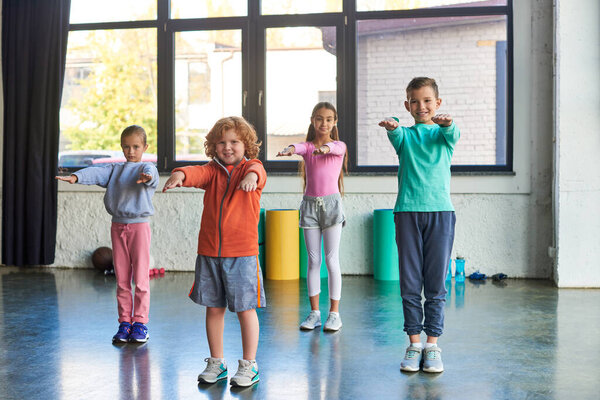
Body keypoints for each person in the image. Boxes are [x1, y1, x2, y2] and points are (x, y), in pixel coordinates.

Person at [163, 116, 266, 388]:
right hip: (209, 252)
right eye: (221, 142)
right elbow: (196, 172)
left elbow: (258, 170)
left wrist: (252, 177)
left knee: (245, 309)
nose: (228, 147)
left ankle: (249, 365)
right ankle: (217, 362)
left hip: (242, 254)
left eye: (234, 142)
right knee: (213, 308)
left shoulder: (250, 169)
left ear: (246, 145)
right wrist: (180, 175)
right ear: (213, 146)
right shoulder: (212, 171)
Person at [378, 77, 460, 373]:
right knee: (411, 282)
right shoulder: (405, 137)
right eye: (415, 101)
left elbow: (452, 130)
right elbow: (396, 130)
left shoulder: (444, 135)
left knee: (435, 283)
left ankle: (432, 345)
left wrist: (447, 122)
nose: (421, 106)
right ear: (407, 105)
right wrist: (392, 123)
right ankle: (414, 344)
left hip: (440, 214)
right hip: (407, 214)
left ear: (437, 103)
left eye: (427, 100)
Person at [56, 125, 158, 344]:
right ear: (121, 148)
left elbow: (151, 176)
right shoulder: (115, 170)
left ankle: (140, 324)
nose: (131, 151)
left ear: (145, 147)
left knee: (140, 279)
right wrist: (76, 177)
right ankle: (124, 323)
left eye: (136, 146)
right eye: (126, 147)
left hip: (139, 227)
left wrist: (146, 177)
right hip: (118, 227)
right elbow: (95, 172)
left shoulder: (148, 167)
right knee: (122, 279)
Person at [277, 102, 348, 332]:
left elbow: (336, 149)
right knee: (314, 261)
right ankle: (315, 313)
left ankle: (334, 314)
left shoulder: (339, 145)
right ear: (312, 121)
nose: (324, 123)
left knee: (331, 260)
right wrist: (289, 149)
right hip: (309, 207)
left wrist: (325, 149)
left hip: (332, 206)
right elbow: (298, 147)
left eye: (328, 119)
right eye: (319, 118)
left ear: (334, 122)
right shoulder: (308, 148)